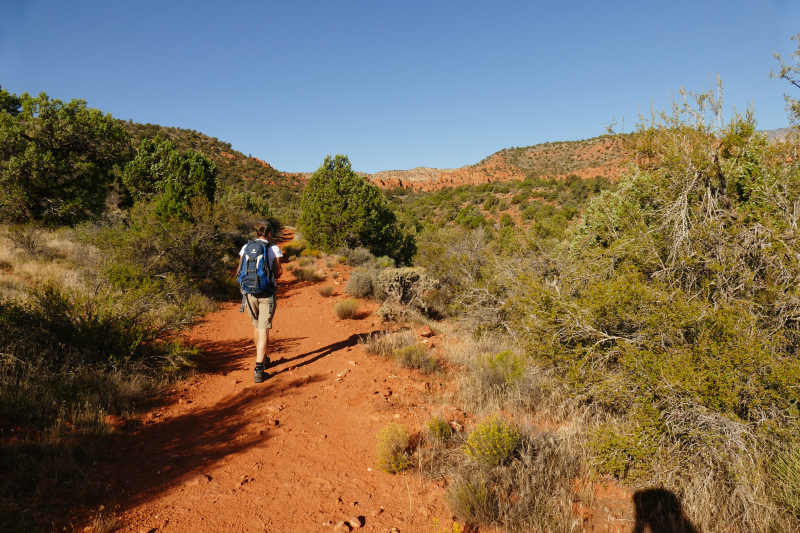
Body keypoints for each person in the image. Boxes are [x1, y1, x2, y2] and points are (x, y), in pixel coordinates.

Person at [237, 221, 283, 383]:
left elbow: (239, 271)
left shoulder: (246, 247)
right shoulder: (274, 248)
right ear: (270, 233)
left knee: (256, 325)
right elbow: (278, 274)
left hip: (249, 293)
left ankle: (263, 358)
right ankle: (259, 368)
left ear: (256, 233)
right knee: (264, 329)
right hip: (267, 293)